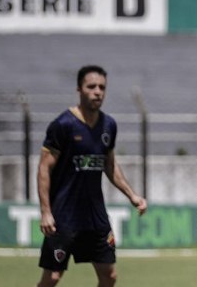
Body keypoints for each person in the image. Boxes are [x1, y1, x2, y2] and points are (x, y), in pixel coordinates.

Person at [36, 65, 147, 287]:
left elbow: (110, 165)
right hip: (63, 216)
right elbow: (43, 169)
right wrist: (46, 212)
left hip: (95, 217)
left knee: (109, 276)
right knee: (52, 278)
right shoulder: (63, 125)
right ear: (79, 89)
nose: (97, 91)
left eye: (102, 87)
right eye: (91, 86)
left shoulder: (109, 125)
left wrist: (132, 195)